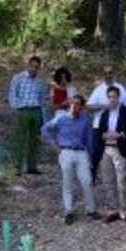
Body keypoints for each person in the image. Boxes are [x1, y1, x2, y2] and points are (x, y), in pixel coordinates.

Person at [41, 94, 97, 224]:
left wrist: (91, 157)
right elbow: (45, 129)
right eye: (72, 103)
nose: (74, 106)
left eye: (77, 104)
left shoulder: (85, 120)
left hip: (81, 152)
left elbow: (89, 140)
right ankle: (68, 211)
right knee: (68, 182)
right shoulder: (61, 117)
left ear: (82, 107)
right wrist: (54, 145)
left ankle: (91, 210)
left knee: (87, 181)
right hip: (65, 151)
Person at [94, 86, 126, 222]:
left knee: (122, 180)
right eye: (110, 97)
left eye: (114, 96)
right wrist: (104, 135)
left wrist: (120, 134)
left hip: (120, 149)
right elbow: (99, 131)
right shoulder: (104, 113)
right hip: (106, 149)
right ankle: (113, 210)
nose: (112, 99)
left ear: (119, 97)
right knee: (108, 181)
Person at [8, 55, 46, 175]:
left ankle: (32, 166)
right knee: (21, 139)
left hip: (36, 111)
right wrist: (17, 107)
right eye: (32, 66)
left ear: (39, 68)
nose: (34, 69)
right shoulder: (18, 78)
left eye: (37, 67)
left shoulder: (40, 82)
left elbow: (41, 99)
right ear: (28, 65)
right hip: (23, 110)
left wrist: (42, 114)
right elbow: (13, 93)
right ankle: (17, 167)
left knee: (35, 140)